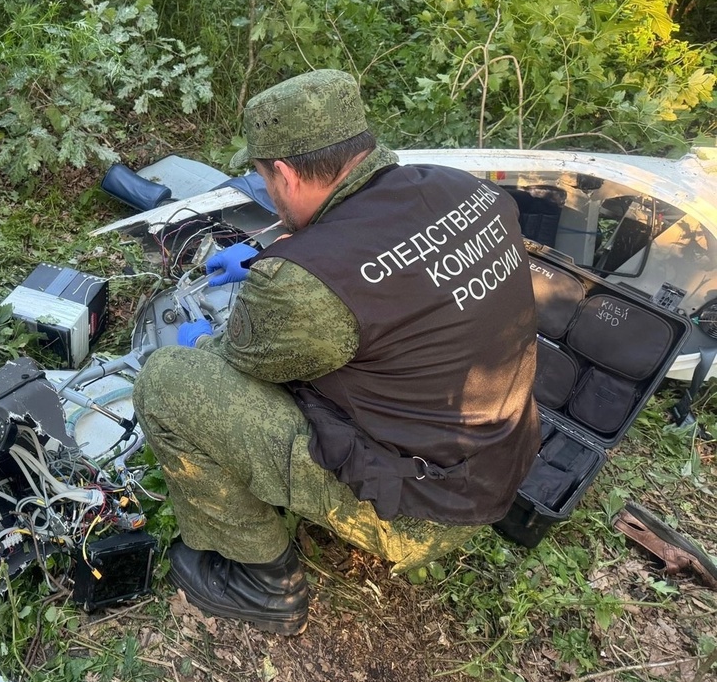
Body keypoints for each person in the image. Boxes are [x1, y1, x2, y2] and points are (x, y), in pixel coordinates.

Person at [131, 69, 541, 635]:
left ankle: (263, 581)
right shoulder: (466, 189)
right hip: (500, 462)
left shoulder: (300, 293)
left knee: (169, 382)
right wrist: (264, 255)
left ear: (284, 172)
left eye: (265, 180)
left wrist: (205, 343)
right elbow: (386, 258)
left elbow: (243, 360)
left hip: (422, 508)